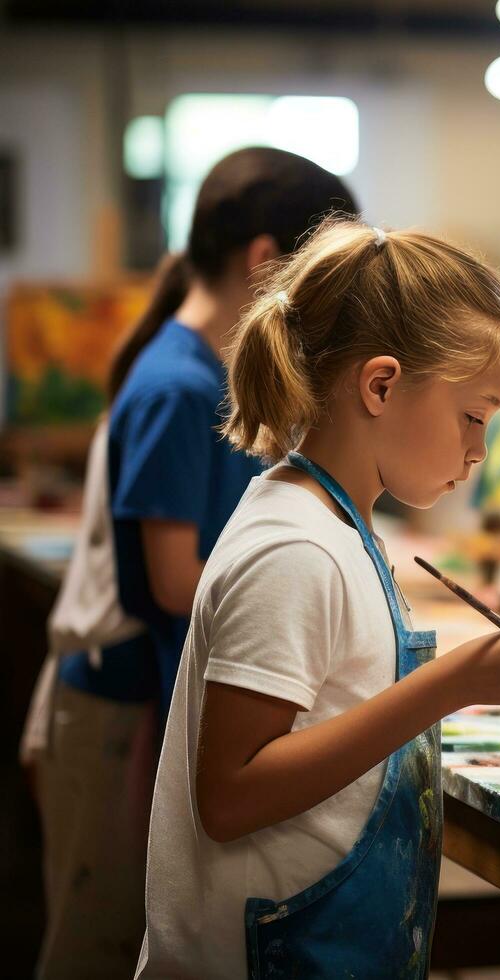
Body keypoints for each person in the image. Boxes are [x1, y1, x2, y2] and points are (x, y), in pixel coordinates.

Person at [137, 220, 500, 978]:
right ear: (380, 385)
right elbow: (231, 794)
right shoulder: (296, 548)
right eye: (473, 416)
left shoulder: (339, 523)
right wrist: (456, 683)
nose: (478, 451)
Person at [25, 146, 355, 978]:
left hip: (137, 695)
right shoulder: (178, 385)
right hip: (112, 706)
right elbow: (176, 578)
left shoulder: (201, 372)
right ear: (263, 262)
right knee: (91, 946)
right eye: (319, 275)